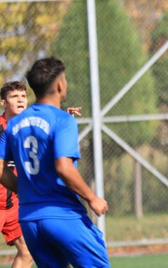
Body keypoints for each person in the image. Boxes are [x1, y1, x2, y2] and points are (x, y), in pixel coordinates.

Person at [0, 58, 109, 267]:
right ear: (60, 85)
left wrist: (24, 190)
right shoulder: (62, 120)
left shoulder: (13, 125)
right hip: (62, 214)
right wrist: (92, 198)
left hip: (29, 218)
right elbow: (63, 167)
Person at [0, 81, 33, 268]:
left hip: (13, 205)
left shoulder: (28, 126)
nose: (20, 100)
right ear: (4, 103)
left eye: (23, 96)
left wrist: (62, 117)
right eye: (14, 97)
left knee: (27, 251)